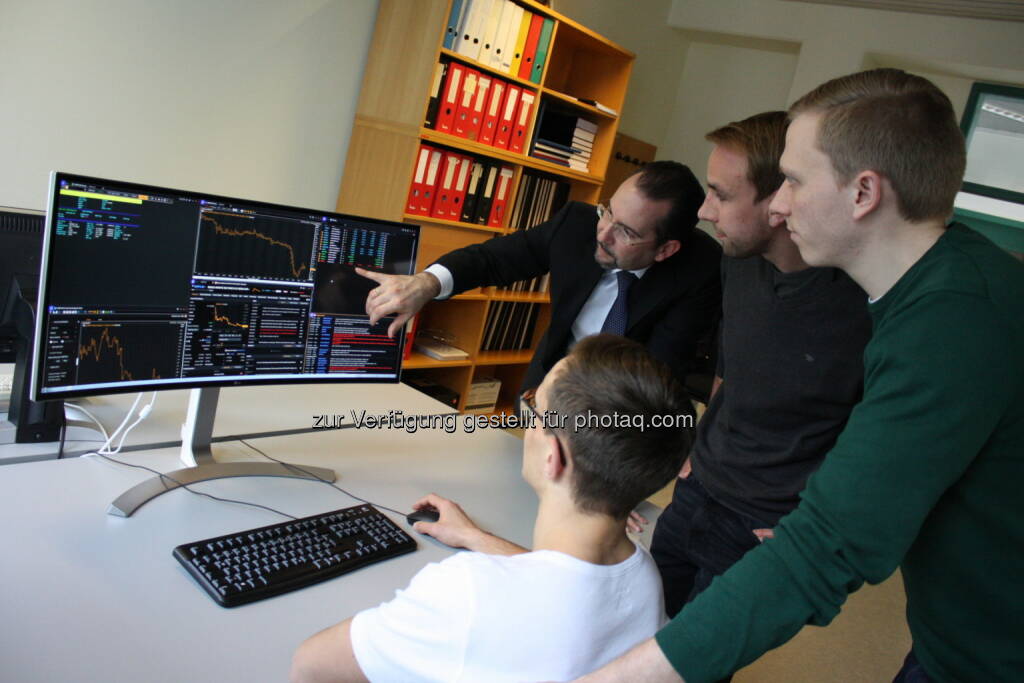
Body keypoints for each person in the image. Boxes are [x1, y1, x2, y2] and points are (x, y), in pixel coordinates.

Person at [574, 69, 1024, 683]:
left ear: (863, 193)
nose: (779, 206)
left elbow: (827, 547)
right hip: (952, 634)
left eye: (793, 180)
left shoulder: (954, 320)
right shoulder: (937, 290)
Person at [290, 334, 693, 683]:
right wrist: (475, 537)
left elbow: (311, 666)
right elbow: (563, 582)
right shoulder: (643, 575)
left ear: (552, 456)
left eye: (534, 407)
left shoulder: (466, 593)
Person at [649, 111, 871, 625]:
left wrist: (820, 526)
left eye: (721, 195)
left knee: (697, 654)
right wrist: (699, 449)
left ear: (782, 200)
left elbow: (878, 436)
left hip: (764, 521)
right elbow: (732, 365)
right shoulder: (738, 259)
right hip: (698, 487)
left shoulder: (861, 304)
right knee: (641, 621)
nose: (704, 211)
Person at [358, 161, 721, 391]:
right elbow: (492, 259)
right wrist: (427, 283)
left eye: (625, 232)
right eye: (608, 211)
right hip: (547, 384)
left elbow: (658, 374)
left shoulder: (700, 270)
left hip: (623, 407)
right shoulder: (577, 224)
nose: (603, 233)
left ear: (665, 249)